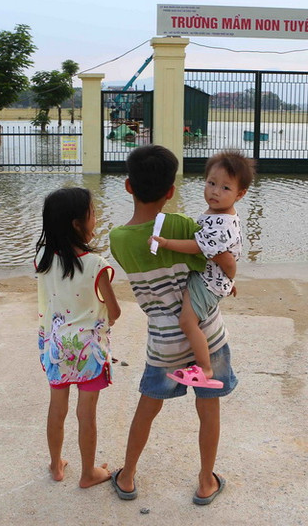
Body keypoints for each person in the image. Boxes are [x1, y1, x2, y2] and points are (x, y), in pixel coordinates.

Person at [108, 145, 237, 506]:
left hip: (164, 340)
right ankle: (205, 481)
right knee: (208, 407)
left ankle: (129, 475)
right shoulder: (182, 225)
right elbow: (219, 260)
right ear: (171, 191)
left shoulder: (118, 239)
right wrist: (231, 275)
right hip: (207, 332)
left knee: (147, 407)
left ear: (128, 186)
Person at [36, 187, 121, 488]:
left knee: (56, 407)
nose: (95, 219)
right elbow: (115, 311)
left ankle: (56, 465)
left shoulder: (42, 258)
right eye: (92, 214)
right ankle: (88, 473)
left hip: (57, 346)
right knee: (87, 414)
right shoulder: (97, 265)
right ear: (77, 224)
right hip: (89, 352)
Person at [150, 150, 253, 387]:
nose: (215, 191)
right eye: (211, 183)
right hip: (211, 278)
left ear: (241, 194)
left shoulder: (223, 222)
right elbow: (221, 257)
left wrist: (166, 243)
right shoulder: (217, 213)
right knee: (189, 318)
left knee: (187, 322)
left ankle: (205, 369)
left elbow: (198, 247)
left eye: (226, 188)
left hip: (208, 282)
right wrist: (229, 280)